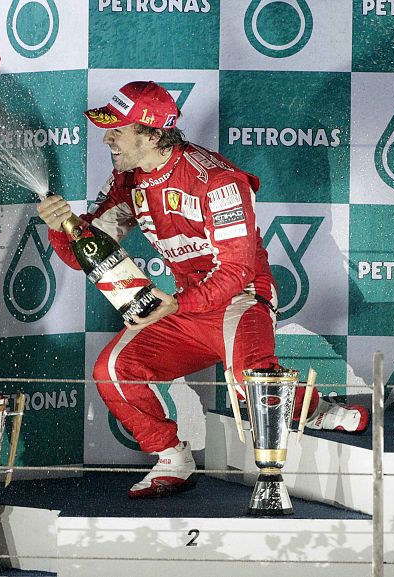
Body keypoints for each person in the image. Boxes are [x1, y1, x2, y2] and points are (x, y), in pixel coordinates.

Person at [38, 81, 369, 499]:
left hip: (241, 300)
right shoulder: (129, 180)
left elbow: (236, 271)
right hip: (184, 307)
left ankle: (311, 407)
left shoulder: (218, 181)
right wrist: (60, 228)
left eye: (117, 129)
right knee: (113, 370)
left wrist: (177, 302)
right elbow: (84, 254)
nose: (107, 137)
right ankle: (171, 457)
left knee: (257, 393)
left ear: (153, 134)